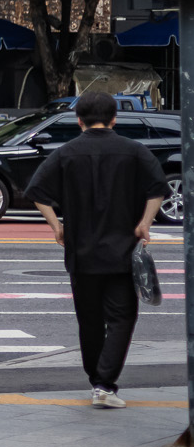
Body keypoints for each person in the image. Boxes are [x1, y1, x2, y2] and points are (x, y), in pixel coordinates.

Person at [25, 90, 167, 409]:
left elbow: (37, 192)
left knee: (89, 320)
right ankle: (105, 383)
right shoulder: (134, 151)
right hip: (121, 253)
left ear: (79, 121)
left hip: (81, 253)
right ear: (114, 118)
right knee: (122, 317)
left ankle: (96, 380)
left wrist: (56, 226)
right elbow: (158, 187)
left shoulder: (66, 153)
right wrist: (145, 222)